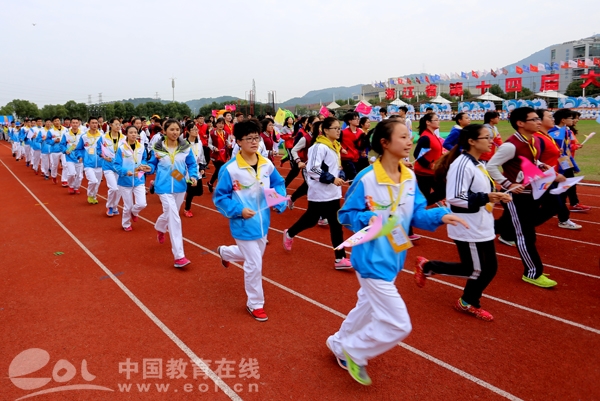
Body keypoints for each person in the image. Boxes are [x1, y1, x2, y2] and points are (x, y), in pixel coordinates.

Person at [326, 119, 466, 386]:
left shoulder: (409, 177)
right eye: (402, 137)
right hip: (371, 260)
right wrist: (367, 218)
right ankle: (354, 350)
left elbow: (416, 214)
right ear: (385, 143)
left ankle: (338, 342)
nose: (409, 141)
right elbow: (345, 214)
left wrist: (440, 216)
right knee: (399, 324)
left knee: (366, 306)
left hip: (395, 256)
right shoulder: (367, 178)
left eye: (408, 136)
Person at [415, 124, 512, 321]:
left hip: (482, 223)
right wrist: (487, 197)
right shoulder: (462, 165)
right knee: (476, 269)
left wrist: (496, 194)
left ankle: (464, 297)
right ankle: (465, 299)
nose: (491, 141)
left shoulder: (478, 163)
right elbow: (455, 197)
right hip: (468, 225)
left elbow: (479, 191)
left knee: (488, 268)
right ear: (472, 141)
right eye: (486, 137)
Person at [213, 119, 287, 322]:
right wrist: (239, 210)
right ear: (238, 141)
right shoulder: (230, 169)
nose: (254, 142)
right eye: (249, 138)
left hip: (262, 223)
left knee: (253, 257)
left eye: (256, 138)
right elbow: (220, 198)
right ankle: (255, 303)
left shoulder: (266, 164)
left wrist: (278, 201)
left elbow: (278, 183)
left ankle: (225, 252)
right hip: (242, 223)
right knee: (254, 264)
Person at [487, 107, 562, 288]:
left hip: (532, 191)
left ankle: (475, 231)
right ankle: (532, 272)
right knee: (525, 234)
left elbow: (531, 160)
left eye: (538, 118)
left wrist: (542, 166)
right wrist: (508, 184)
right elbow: (491, 166)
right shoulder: (510, 145)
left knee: (512, 225)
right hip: (516, 196)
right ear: (520, 123)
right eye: (534, 119)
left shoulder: (533, 140)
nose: (538, 122)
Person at [282, 117, 352, 269]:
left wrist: (340, 176)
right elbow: (312, 169)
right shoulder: (318, 147)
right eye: (335, 128)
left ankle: (340, 259)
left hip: (333, 193)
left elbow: (337, 167)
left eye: (339, 128)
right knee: (311, 220)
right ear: (325, 130)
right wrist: (332, 179)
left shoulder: (335, 146)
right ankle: (290, 233)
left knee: (336, 225)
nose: (339, 131)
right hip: (320, 193)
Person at [147, 119, 199, 268]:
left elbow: (191, 164)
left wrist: (193, 176)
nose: (175, 132)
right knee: (174, 218)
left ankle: (160, 227)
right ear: (164, 131)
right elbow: (152, 164)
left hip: (180, 185)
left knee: (171, 213)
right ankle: (179, 256)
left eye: (177, 129)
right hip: (163, 186)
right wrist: (148, 168)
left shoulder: (185, 147)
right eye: (171, 129)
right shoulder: (158, 148)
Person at [535, 109, 580, 230]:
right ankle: (514, 228)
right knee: (551, 205)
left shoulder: (548, 135)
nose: (553, 119)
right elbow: (534, 160)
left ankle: (515, 228)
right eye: (550, 117)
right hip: (544, 177)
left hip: (553, 174)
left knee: (554, 203)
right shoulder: (539, 138)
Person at [548, 109, 591, 212]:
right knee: (557, 186)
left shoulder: (567, 131)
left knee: (570, 183)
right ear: (563, 120)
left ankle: (571, 206)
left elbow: (567, 150)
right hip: (556, 164)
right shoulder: (552, 132)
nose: (573, 120)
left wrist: (574, 166)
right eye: (571, 118)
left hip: (566, 162)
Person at [114, 125, 151, 231]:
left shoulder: (141, 147)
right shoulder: (121, 148)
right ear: (126, 134)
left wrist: (143, 165)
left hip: (139, 178)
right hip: (125, 181)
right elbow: (116, 165)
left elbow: (144, 159)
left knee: (142, 204)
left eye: (135, 132)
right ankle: (126, 224)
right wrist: (125, 172)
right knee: (128, 206)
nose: (133, 134)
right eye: (131, 132)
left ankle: (134, 212)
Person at [413, 113, 446, 205]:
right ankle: (422, 207)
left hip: (432, 172)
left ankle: (425, 206)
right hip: (424, 173)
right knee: (440, 192)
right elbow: (417, 154)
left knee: (439, 192)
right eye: (436, 120)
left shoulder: (432, 135)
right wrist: (430, 165)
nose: (438, 121)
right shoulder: (426, 137)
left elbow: (431, 151)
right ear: (428, 122)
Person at [98, 118, 126, 216]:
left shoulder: (124, 138)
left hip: (119, 166)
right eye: (116, 124)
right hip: (108, 166)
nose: (118, 126)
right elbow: (98, 149)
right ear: (110, 125)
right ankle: (109, 206)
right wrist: (104, 156)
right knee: (113, 188)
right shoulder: (103, 137)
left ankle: (115, 206)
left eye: (119, 124)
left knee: (119, 189)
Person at [75, 117, 104, 204]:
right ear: (89, 124)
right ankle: (90, 194)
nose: (95, 125)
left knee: (97, 183)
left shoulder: (102, 136)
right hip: (88, 164)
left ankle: (93, 196)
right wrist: (80, 156)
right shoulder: (84, 136)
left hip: (100, 163)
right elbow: (78, 149)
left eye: (96, 123)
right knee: (93, 181)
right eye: (93, 123)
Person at [182, 121, 206, 218]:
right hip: (187, 171)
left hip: (196, 169)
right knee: (191, 192)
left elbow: (201, 156)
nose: (196, 131)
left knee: (199, 192)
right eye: (193, 129)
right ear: (188, 131)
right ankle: (187, 209)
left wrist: (202, 166)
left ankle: (186, 190)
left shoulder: (199, 143)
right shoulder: (183, 143)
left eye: (197, 129)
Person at [59, 117, 84, 194]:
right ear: (71, 124)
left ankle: (76, 187)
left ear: (79, 124)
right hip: (69, 157)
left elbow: (85, 146)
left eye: (76, 123)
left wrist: (82, 155)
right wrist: (65, 150)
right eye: (73, 123)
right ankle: (71, 186)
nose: (75, 124)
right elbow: (62, 144)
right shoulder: (66, 134)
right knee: (72, 173)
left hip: (79, 157)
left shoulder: (83, 134)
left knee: (79, 175)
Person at [207, 117, 229, 193]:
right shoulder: (212, 133)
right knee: (220, 169)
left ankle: (211, 183)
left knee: (220, 170)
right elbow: (209, 144)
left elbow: (227, 142)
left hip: (224, 155)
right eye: (219, 123)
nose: (221, 125)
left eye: (222, 123)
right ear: (216, 124)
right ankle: (218, 185)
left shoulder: (226, 133)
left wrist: (229, 144)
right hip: (215, 155)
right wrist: (214, 148)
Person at [340, 112, 363, 181]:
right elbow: (336, 142)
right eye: (355, 119)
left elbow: (362, 144)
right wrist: (341, 149)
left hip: (357, 158)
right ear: (349, 121)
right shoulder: (343, 132)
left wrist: (363, 150)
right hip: (346, 158)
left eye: (358, 119)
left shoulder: (360, 132)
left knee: (351, 176)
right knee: (353, 176)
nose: (358, 120)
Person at [46, 116, 68, 185]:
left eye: (58, 120)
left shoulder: (65, 129)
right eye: (55, 121)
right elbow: (47, 140)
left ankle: (64, 180)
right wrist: (54, 141)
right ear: (53, 122)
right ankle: (54, 176)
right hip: (54, 150)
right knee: (54, 165)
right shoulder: (50, 131)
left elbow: (69, 139)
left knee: (65, 165)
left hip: (63, 150)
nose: (57, 122)